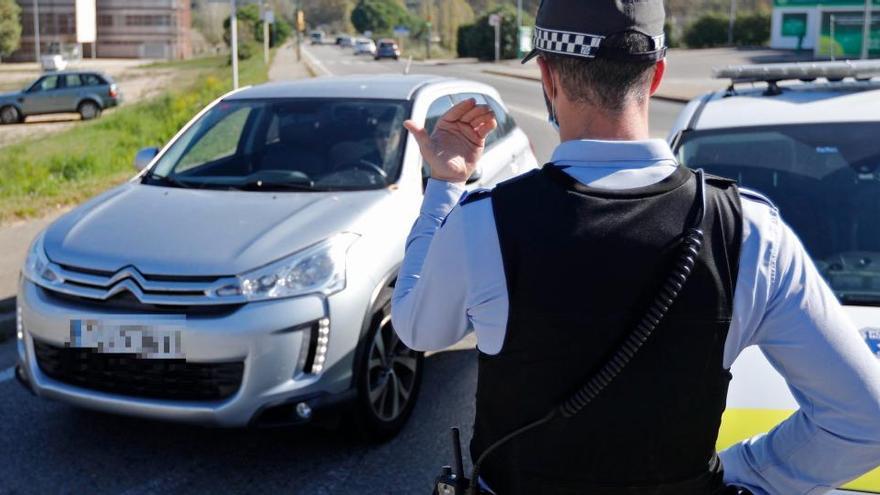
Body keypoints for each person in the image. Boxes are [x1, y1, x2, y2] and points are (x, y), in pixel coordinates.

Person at [392, 0, 880, 493]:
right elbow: (864, 420)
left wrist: (446, 185)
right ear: (657, 74)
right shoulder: (750, 229)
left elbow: (418, 329)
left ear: (548, 77)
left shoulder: (483, 222)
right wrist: (739, 475)